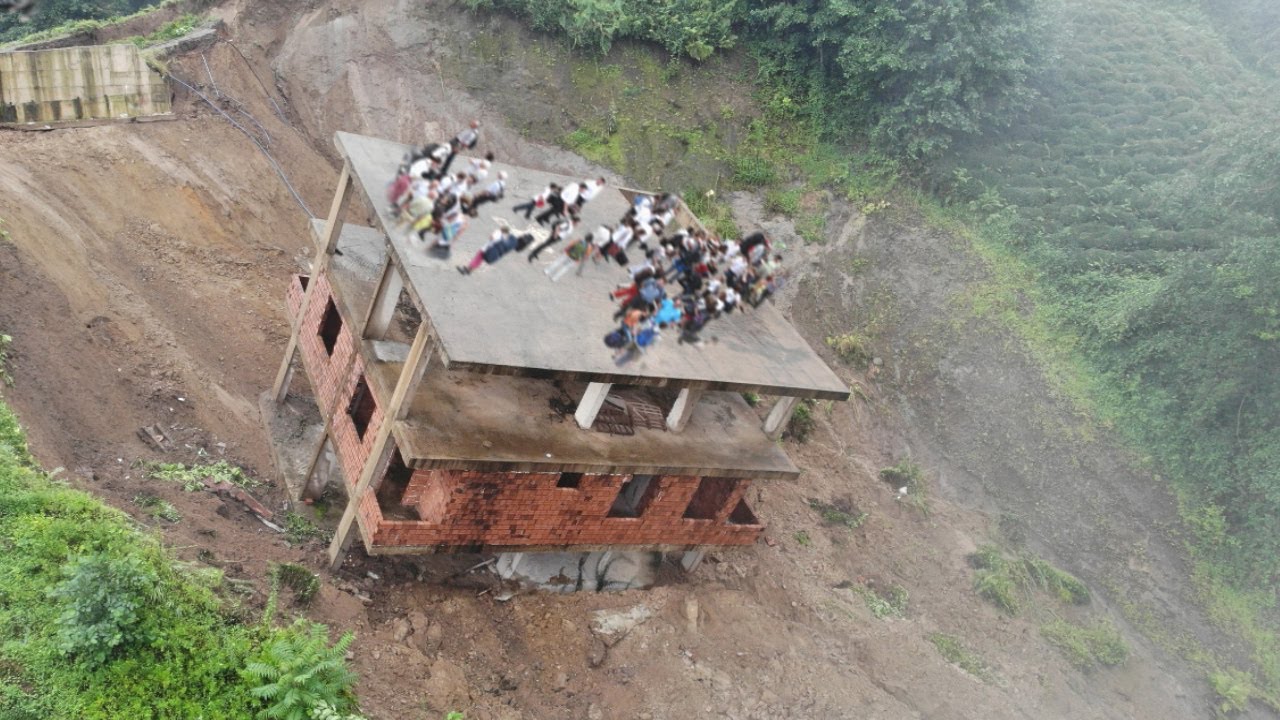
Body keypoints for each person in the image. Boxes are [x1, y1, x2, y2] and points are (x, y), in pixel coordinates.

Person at [458, 227, 533, 274]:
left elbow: (498, 238)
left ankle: (468, 269)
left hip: (491, 248)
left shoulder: (512, 237)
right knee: (480, 259)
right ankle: (470, 270)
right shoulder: (515, 246)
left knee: (479, 256)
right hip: (495, 255)